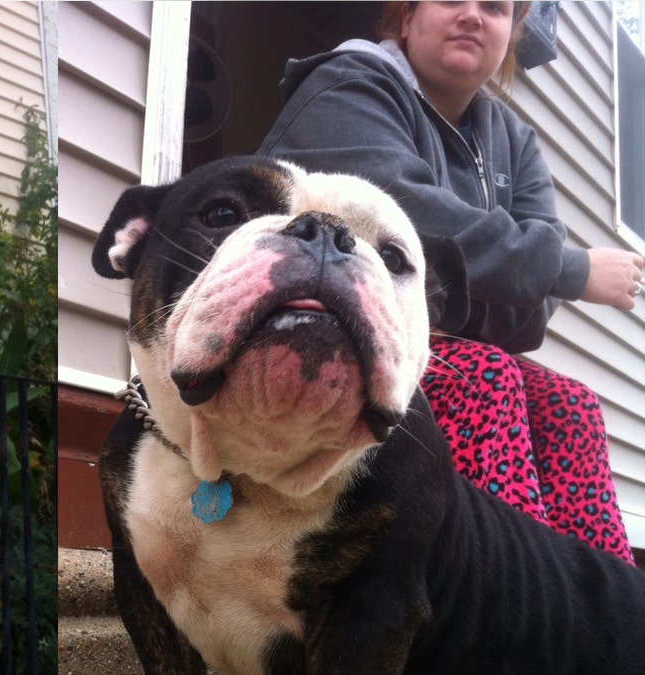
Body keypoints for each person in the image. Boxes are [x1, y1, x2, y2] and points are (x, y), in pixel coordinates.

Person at [259, 1, 645, 562]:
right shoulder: (346, 85)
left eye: (494, 7)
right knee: (484, 379)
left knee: (572, 408)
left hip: (423, 350)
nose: (472, 15)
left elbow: (527, 317)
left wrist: (515, 275)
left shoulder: (515, 141)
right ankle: (492, 591)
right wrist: (570, 269)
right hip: (319, 331)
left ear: (511, 34)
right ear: (406, 17)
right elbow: (401, 219)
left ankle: (603, 604)